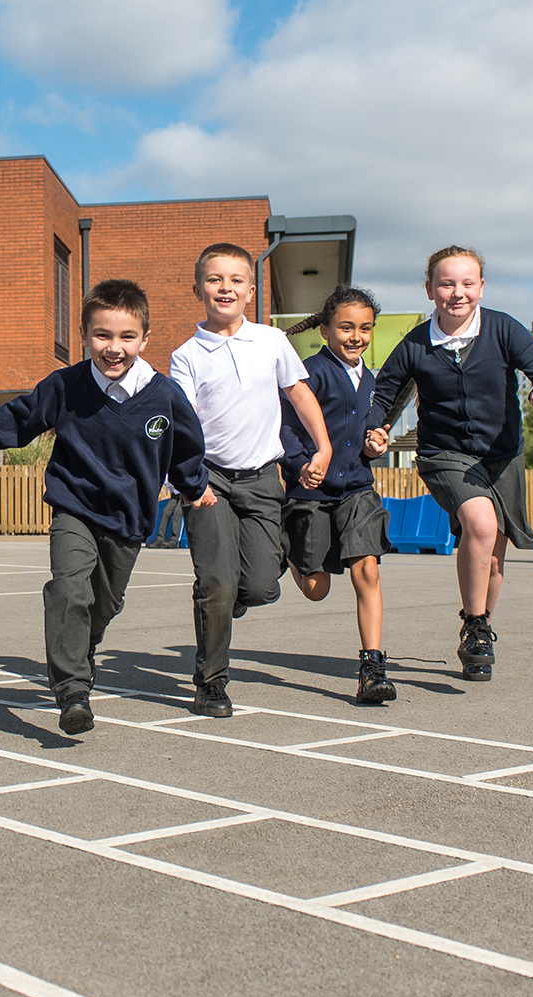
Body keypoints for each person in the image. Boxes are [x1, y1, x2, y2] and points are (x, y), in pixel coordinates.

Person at [0, 279, 211, 735]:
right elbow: (19, 417)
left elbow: (186, 447)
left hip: (130, 518)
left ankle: (82, 649)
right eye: (102, 336)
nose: (114, 348)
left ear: (145, 339)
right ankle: (72, 690)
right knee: (69, 590)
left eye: (127, 337)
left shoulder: (164, 395)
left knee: (103, 604)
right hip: (74, 506)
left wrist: (193, 485)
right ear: (85, 336)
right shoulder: (66, 386)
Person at [365, 246, 533, 682]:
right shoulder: (417, 343)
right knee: (480, 524)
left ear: (481, 286)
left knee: (494, 556)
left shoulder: (502, 329)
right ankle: (475, 623)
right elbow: (384, 395)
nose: (457, 293)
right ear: (429, 289)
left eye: (467, 283)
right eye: (447, 283)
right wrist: (374, 429)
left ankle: (480, 630)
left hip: (502, 456)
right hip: (444, 454)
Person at [169, 242, 333, 718]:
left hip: (263, 479)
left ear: (250, 290)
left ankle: (231, 597)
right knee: (216, 582)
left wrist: (321, 447)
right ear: (197, 288)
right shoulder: (187, 355)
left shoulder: (271, 341)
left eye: (236, 280)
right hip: (211, 482)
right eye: (215, 280)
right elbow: (185, 423)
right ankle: (211, 681)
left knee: (261, 585)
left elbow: (299, 395)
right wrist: (186, 479)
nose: (226, 288)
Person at [279, 285, 396, 705]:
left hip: (357, 491)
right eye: (346, 327)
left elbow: (370, 433)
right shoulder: (308, 373)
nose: (356, 336)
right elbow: (288, 429)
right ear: (326, 330)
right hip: (311, 493)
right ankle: (287, 544)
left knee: (368, 570)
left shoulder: (373, 380)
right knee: (316, 589)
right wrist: (299, 464)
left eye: (365, 328)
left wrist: (374, 445)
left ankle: (372, 666)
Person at [151, 483, 185, 549]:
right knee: (165, 512)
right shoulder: (164, 476)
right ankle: (160, 539)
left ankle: (174, 540)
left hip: (184, 493)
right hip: (175, 494)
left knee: (177, 513)